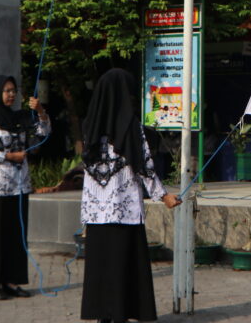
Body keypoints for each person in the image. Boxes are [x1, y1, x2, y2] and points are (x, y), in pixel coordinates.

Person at [80, 68, 181, 323]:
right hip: (124, 211)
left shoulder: (90, 125)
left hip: (96, 213)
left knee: (101, 264)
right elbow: (144, 166)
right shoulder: (131, 127)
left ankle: (103, 315)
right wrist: (163, 196)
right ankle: (120, 314)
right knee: (123, 263)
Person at [0, 75, 50, 300]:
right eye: (6, 91)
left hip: (20, 185)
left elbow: (42, 136)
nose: (11, 94)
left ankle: (13, 281)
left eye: (13, 90)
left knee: (17, 235)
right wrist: (7, 156)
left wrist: (41, 111)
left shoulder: (19, 117)